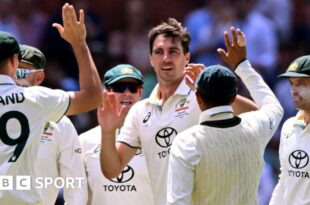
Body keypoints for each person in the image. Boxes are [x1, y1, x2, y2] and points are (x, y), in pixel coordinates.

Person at [98, 18, 257, 205]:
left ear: (187, 57)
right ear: (151, 59)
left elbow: (258, 116)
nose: (165, 58)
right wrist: (107, 132)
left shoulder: (203, 96)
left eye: (173, 51)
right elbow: (112, 170)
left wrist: (210, 89)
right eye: (159, 52)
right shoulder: (141, 111)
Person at [166, 27, 283, 205]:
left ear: (197, 98)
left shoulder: (186, 142)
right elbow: (274, 106)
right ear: (234, 97)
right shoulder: (256, 127)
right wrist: (243, 65)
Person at [0, 3, 102, 204]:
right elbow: (93, 97)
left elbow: (75, 184)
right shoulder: (38, 100)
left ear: (40, 76)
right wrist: (80, 43)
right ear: (13, 61)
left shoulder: (54, 117)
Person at [15, 44, 87, 205]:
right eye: (8, 72)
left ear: (39, 78)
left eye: (20, 72)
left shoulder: (61, 124)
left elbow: (75, 183)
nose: (13, 79)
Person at [79, 64, 154, 205]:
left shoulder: (155, 136)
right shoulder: (84, 141)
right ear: (106, 92)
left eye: (133, 88)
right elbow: (77, 196)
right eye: (119, 87)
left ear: (141, 93)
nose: (127, 93)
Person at [269, 55, 310, 205]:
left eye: (300, 83)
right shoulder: (288, 126)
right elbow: (284, 179)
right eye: (291, 84)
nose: (293, 90)